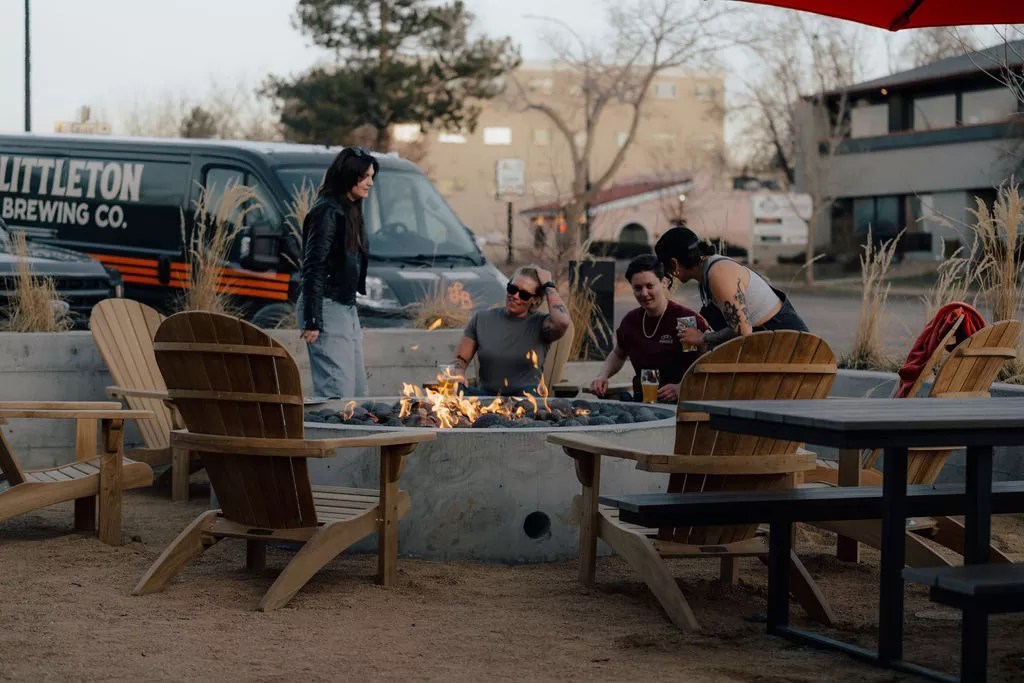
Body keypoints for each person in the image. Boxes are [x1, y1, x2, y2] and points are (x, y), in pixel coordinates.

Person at [297, 146, 379, 398]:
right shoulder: (327, 211)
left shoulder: (350, 209)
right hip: (326, 305)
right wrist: (312, 318)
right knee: (338, 392)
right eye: (364, 177)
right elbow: (314, 265)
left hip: (344, 306)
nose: (370, 183)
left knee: (357, 393)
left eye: (372, 176)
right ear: (348, 175)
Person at [655, 225, 808, 351]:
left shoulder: (718, 274)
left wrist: (702, 338)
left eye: (666, 267)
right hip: (773, 340)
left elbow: (743, 331)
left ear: (674, 263)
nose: (669, 274)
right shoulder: (708, 271)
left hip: (789, 345)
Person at [590, 254, 707, 403]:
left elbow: (707, 361)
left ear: (664, 282)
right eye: (638, 288)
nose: (644, 293)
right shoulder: (631, 321)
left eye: (650, 286)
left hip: (678, 404)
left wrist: (682, 387)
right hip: (642, 401)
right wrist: (602, 376)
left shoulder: (685, 320)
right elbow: (618, 354)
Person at [451, 265, 571, 396]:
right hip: (486, 397)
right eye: (512, 289)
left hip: (527, 398)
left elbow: (562, 321)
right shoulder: (482, 319)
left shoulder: (542, 324)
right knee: (453, 393)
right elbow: (460, 360)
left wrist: (549, 285)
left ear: (535, 300)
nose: (515, 296)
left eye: (524, 295)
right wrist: (458, 373)